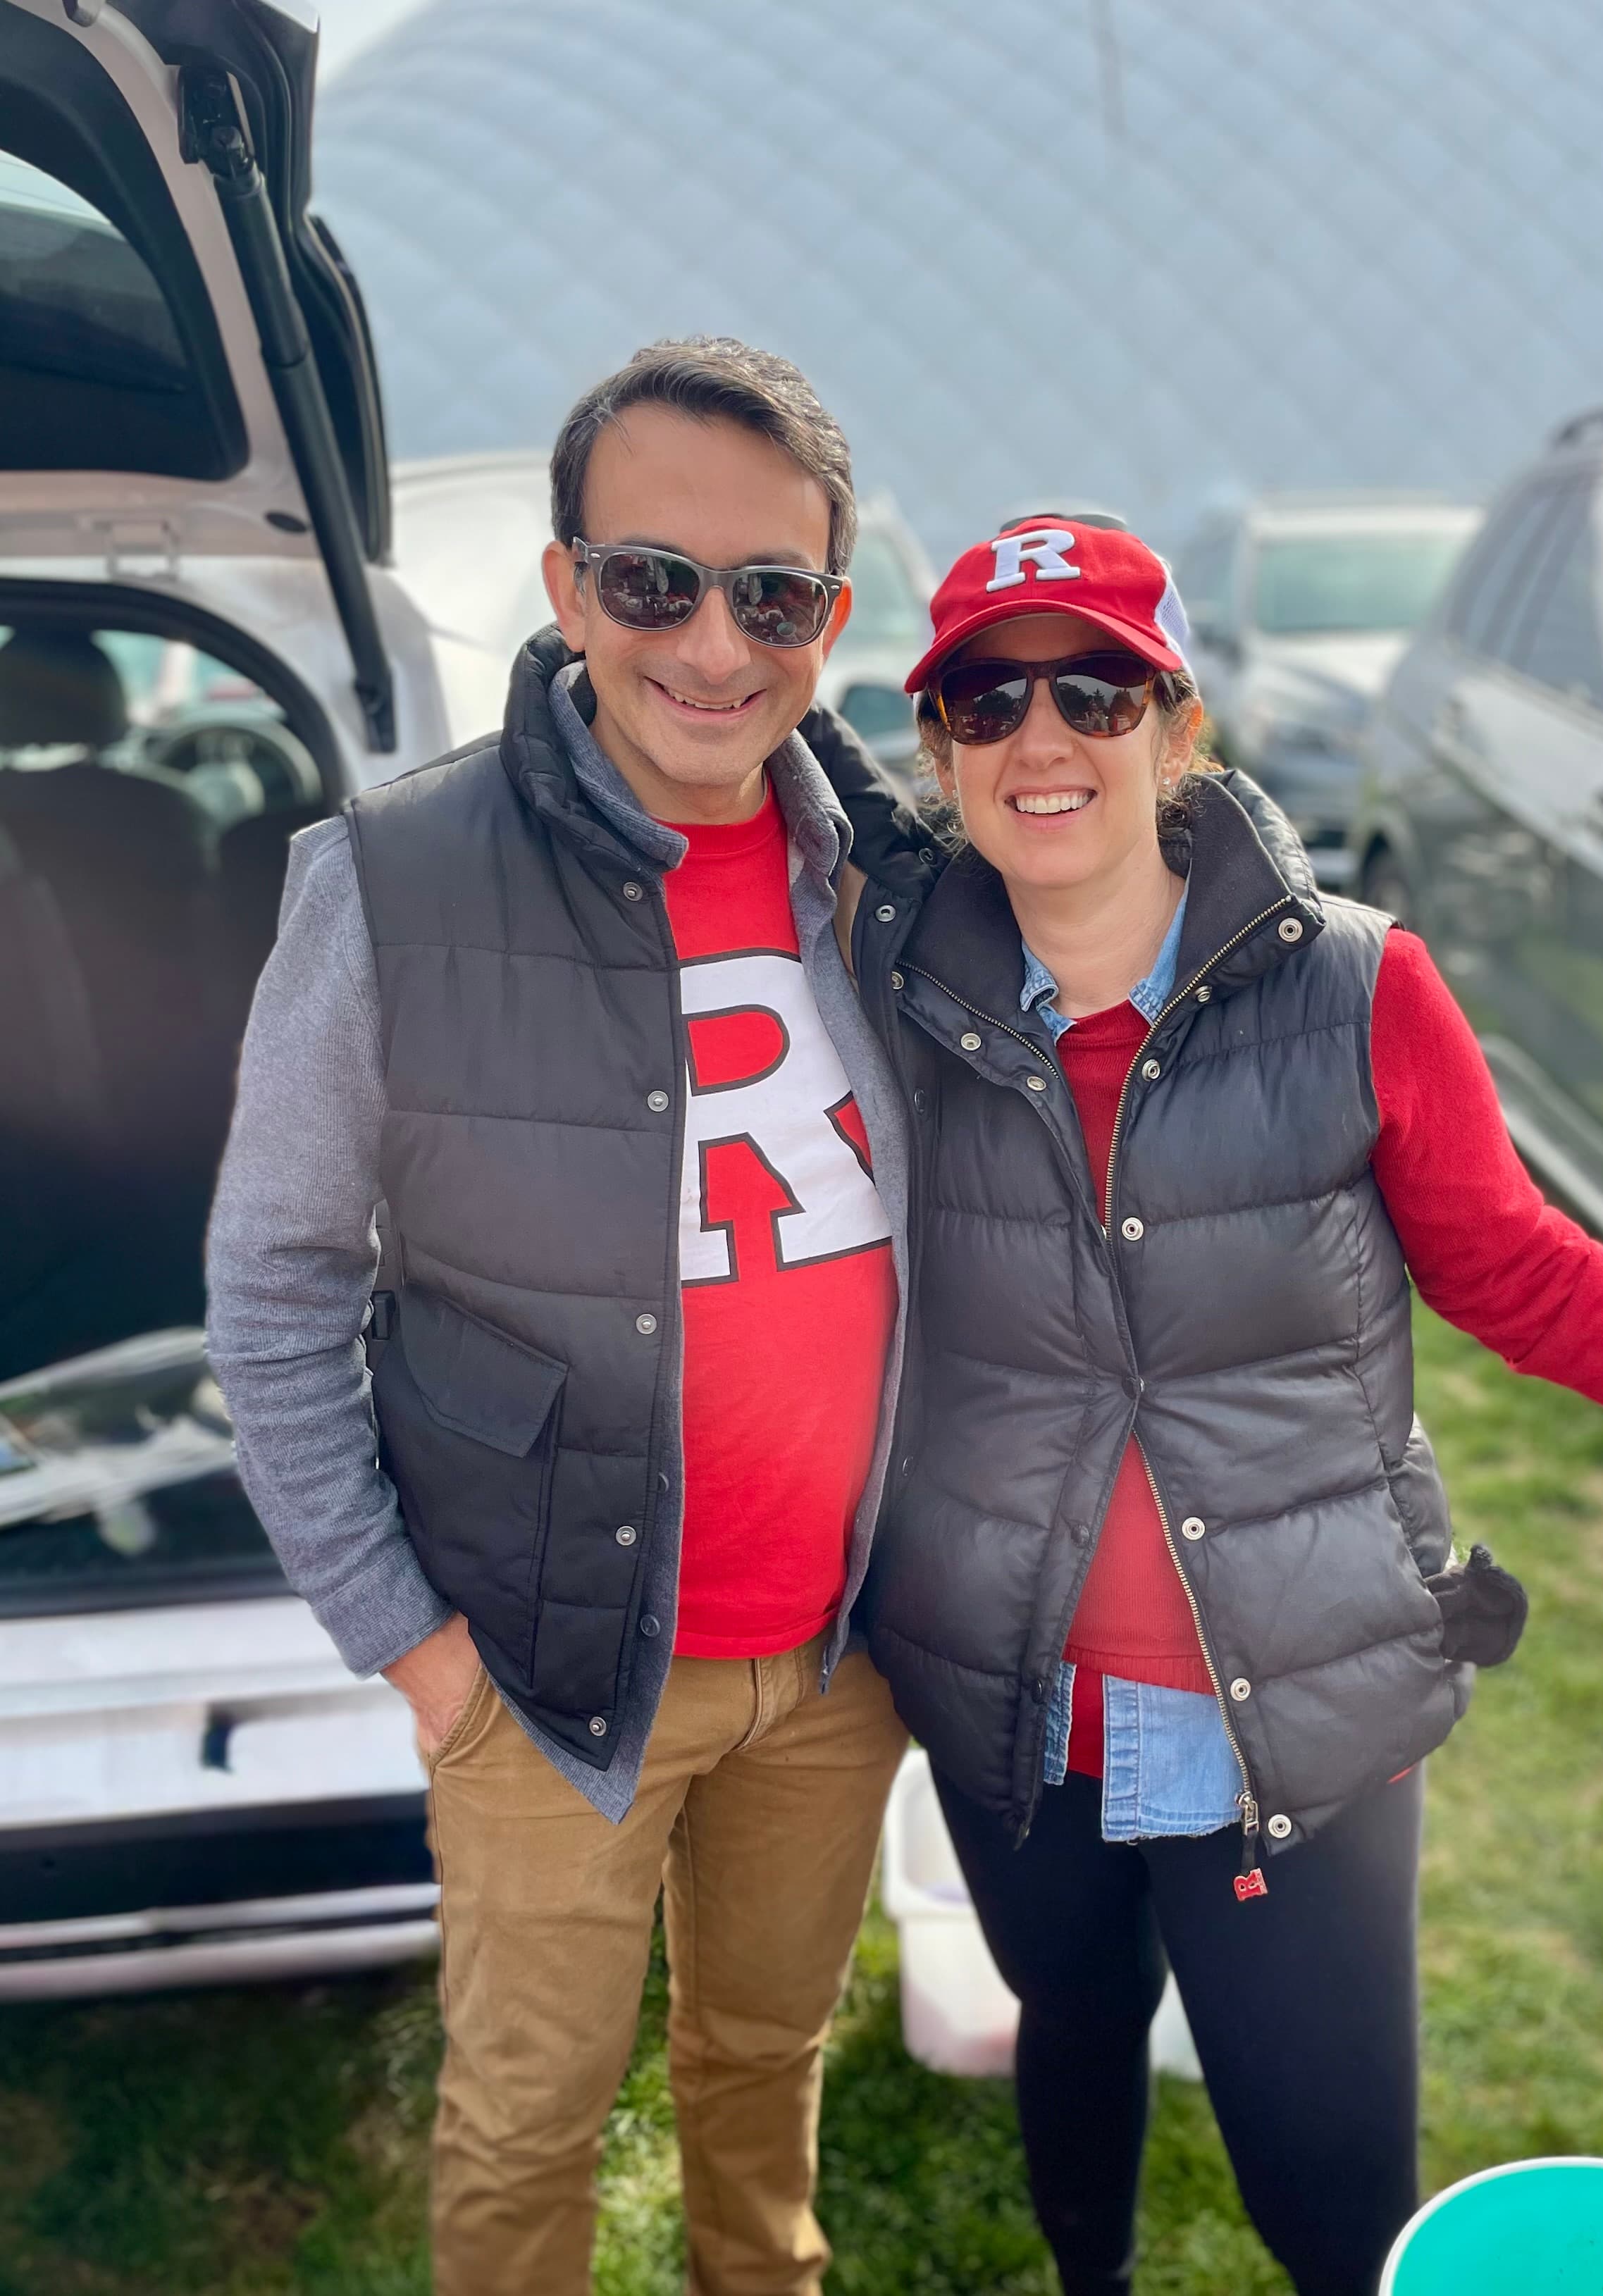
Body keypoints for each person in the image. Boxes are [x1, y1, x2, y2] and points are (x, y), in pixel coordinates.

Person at [836, 516, 1603, 2296]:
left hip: (1296, 1703)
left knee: (1332, 2202)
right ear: (934, 747)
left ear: (1180, 728)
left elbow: (1519, 1270)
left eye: (1095, 688)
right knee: (1067, 2045)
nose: (1042, 739)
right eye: (986, 698)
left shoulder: (1354, 984)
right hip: (1008, 1693)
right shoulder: (883, 990)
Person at [204, 337, 911, 2296]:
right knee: (529, 2110)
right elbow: (274, 1286)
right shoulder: (393, 879)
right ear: (564, 585)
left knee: (767, 2057)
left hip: (840, 1655)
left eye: (768, 593)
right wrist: (413, 1650)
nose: (711, 641)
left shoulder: (899, 878)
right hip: (537, 1662)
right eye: (650, 579)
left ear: (827, 619)